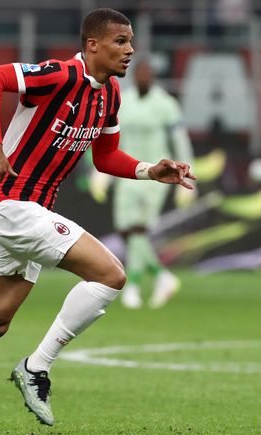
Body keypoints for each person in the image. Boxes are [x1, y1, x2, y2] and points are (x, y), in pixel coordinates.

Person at [0, 8, 195, 435]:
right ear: (93, 45)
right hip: (13, 204)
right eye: (120, 41)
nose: (130, 49)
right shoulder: (59, 75)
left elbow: (105, 156)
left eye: (131, 41)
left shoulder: (110, 95)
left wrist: (149, 170)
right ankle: (36, 367)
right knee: (110, 274)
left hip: (28, 213)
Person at [112, 57, 195, 309]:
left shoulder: (166, 105)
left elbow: (180, 140)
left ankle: (133, 286)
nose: (143, 77)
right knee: (126, 230)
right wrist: (100, 174)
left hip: (155, 175)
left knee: (139, 229)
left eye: (148, 74)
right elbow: (112, 140)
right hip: (127, 173)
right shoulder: (122, 102)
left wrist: (186, 170)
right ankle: (161, 276)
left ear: (154, 77)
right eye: (140, 73)